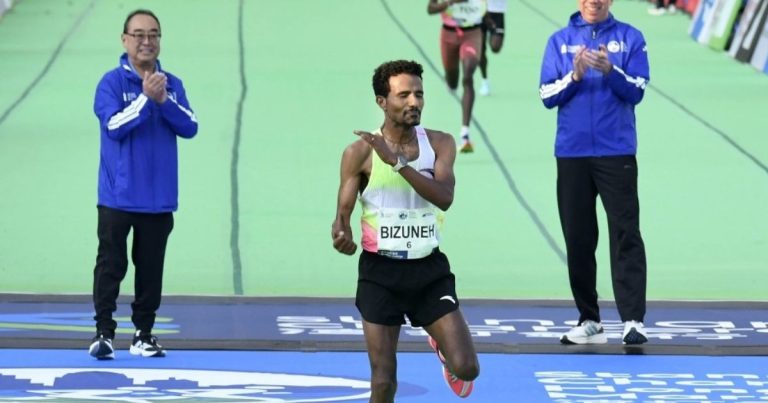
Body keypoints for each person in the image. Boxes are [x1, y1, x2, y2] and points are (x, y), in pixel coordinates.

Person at [332, 60, 479, 401]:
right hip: (380, 274)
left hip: (429, 271)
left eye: (419, 94)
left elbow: (444, 198)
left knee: (467, 367)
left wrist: (397, 163)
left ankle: (441, 346)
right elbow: (341, 215)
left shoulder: (439, 144)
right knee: (384, 382)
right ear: (382, 102)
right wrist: (341, 234)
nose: (414, 102)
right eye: (404, 95)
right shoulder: (359, 153)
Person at [538, 0, 649, 345]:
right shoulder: (559, 41)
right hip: (572, 153)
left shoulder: (631, 37)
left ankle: (633, 320)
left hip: (617, 151)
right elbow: (546, 94)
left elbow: (637, 90)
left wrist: (610, 70)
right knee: (578, 238)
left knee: (626, 233)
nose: (594, 1)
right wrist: (575, 76)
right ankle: (589, 319)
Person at [89, 9, 198, 360]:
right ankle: (104, 333)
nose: (146, 41)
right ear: (125, 40)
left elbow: (190, 126)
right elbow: (113, 127)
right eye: (138, 35)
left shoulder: (171, 84)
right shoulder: (110, 83)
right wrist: (146, 99)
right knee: (111, 266)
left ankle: (143, 335)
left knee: (151, 271)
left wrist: (163, 100)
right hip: (117, 197)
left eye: (153, 34)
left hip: (158, 199)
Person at [428, 0, 487, 153]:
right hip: (448, 35)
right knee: (452, 80)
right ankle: (451, 82)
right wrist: (450, 2)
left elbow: (488, 8)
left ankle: (465, 133)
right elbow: (431, 8)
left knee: (468, 76)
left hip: (472, 33)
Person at [478, 0, 508, 96]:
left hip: (497, 10)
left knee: (495, 47)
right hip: (479, 10)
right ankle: (485, 81)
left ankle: (489, 33)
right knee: (480, 50)